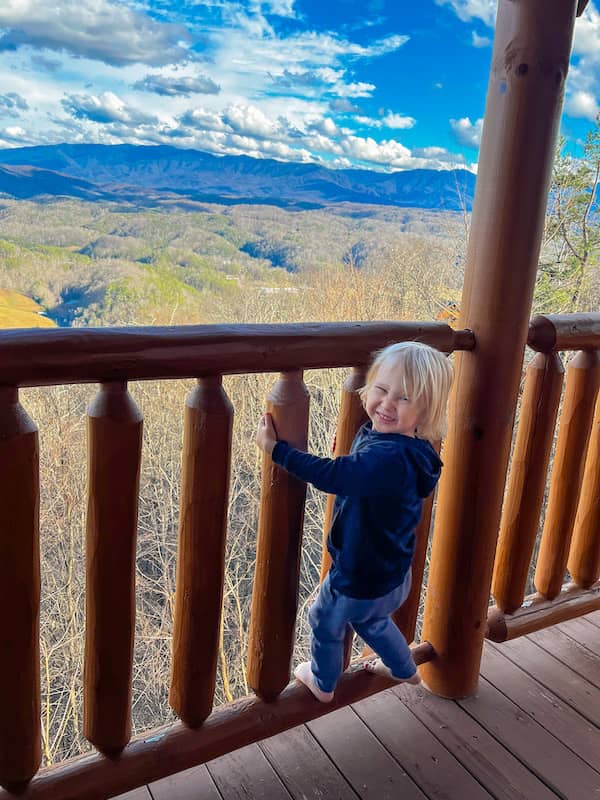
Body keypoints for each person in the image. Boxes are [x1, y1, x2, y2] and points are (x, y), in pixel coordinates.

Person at [255, 341, 453, 703]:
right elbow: (365, 458)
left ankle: (323, 682)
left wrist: (275, 449)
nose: (388, 404)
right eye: (381, 389)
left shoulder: (386, 459)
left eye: (405, 399)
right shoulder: (412, 449)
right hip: (393, 572)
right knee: (373, 622)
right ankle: (403, 668)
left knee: (324, 621)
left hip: (358, 575)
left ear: (425, 410)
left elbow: (334, 476)